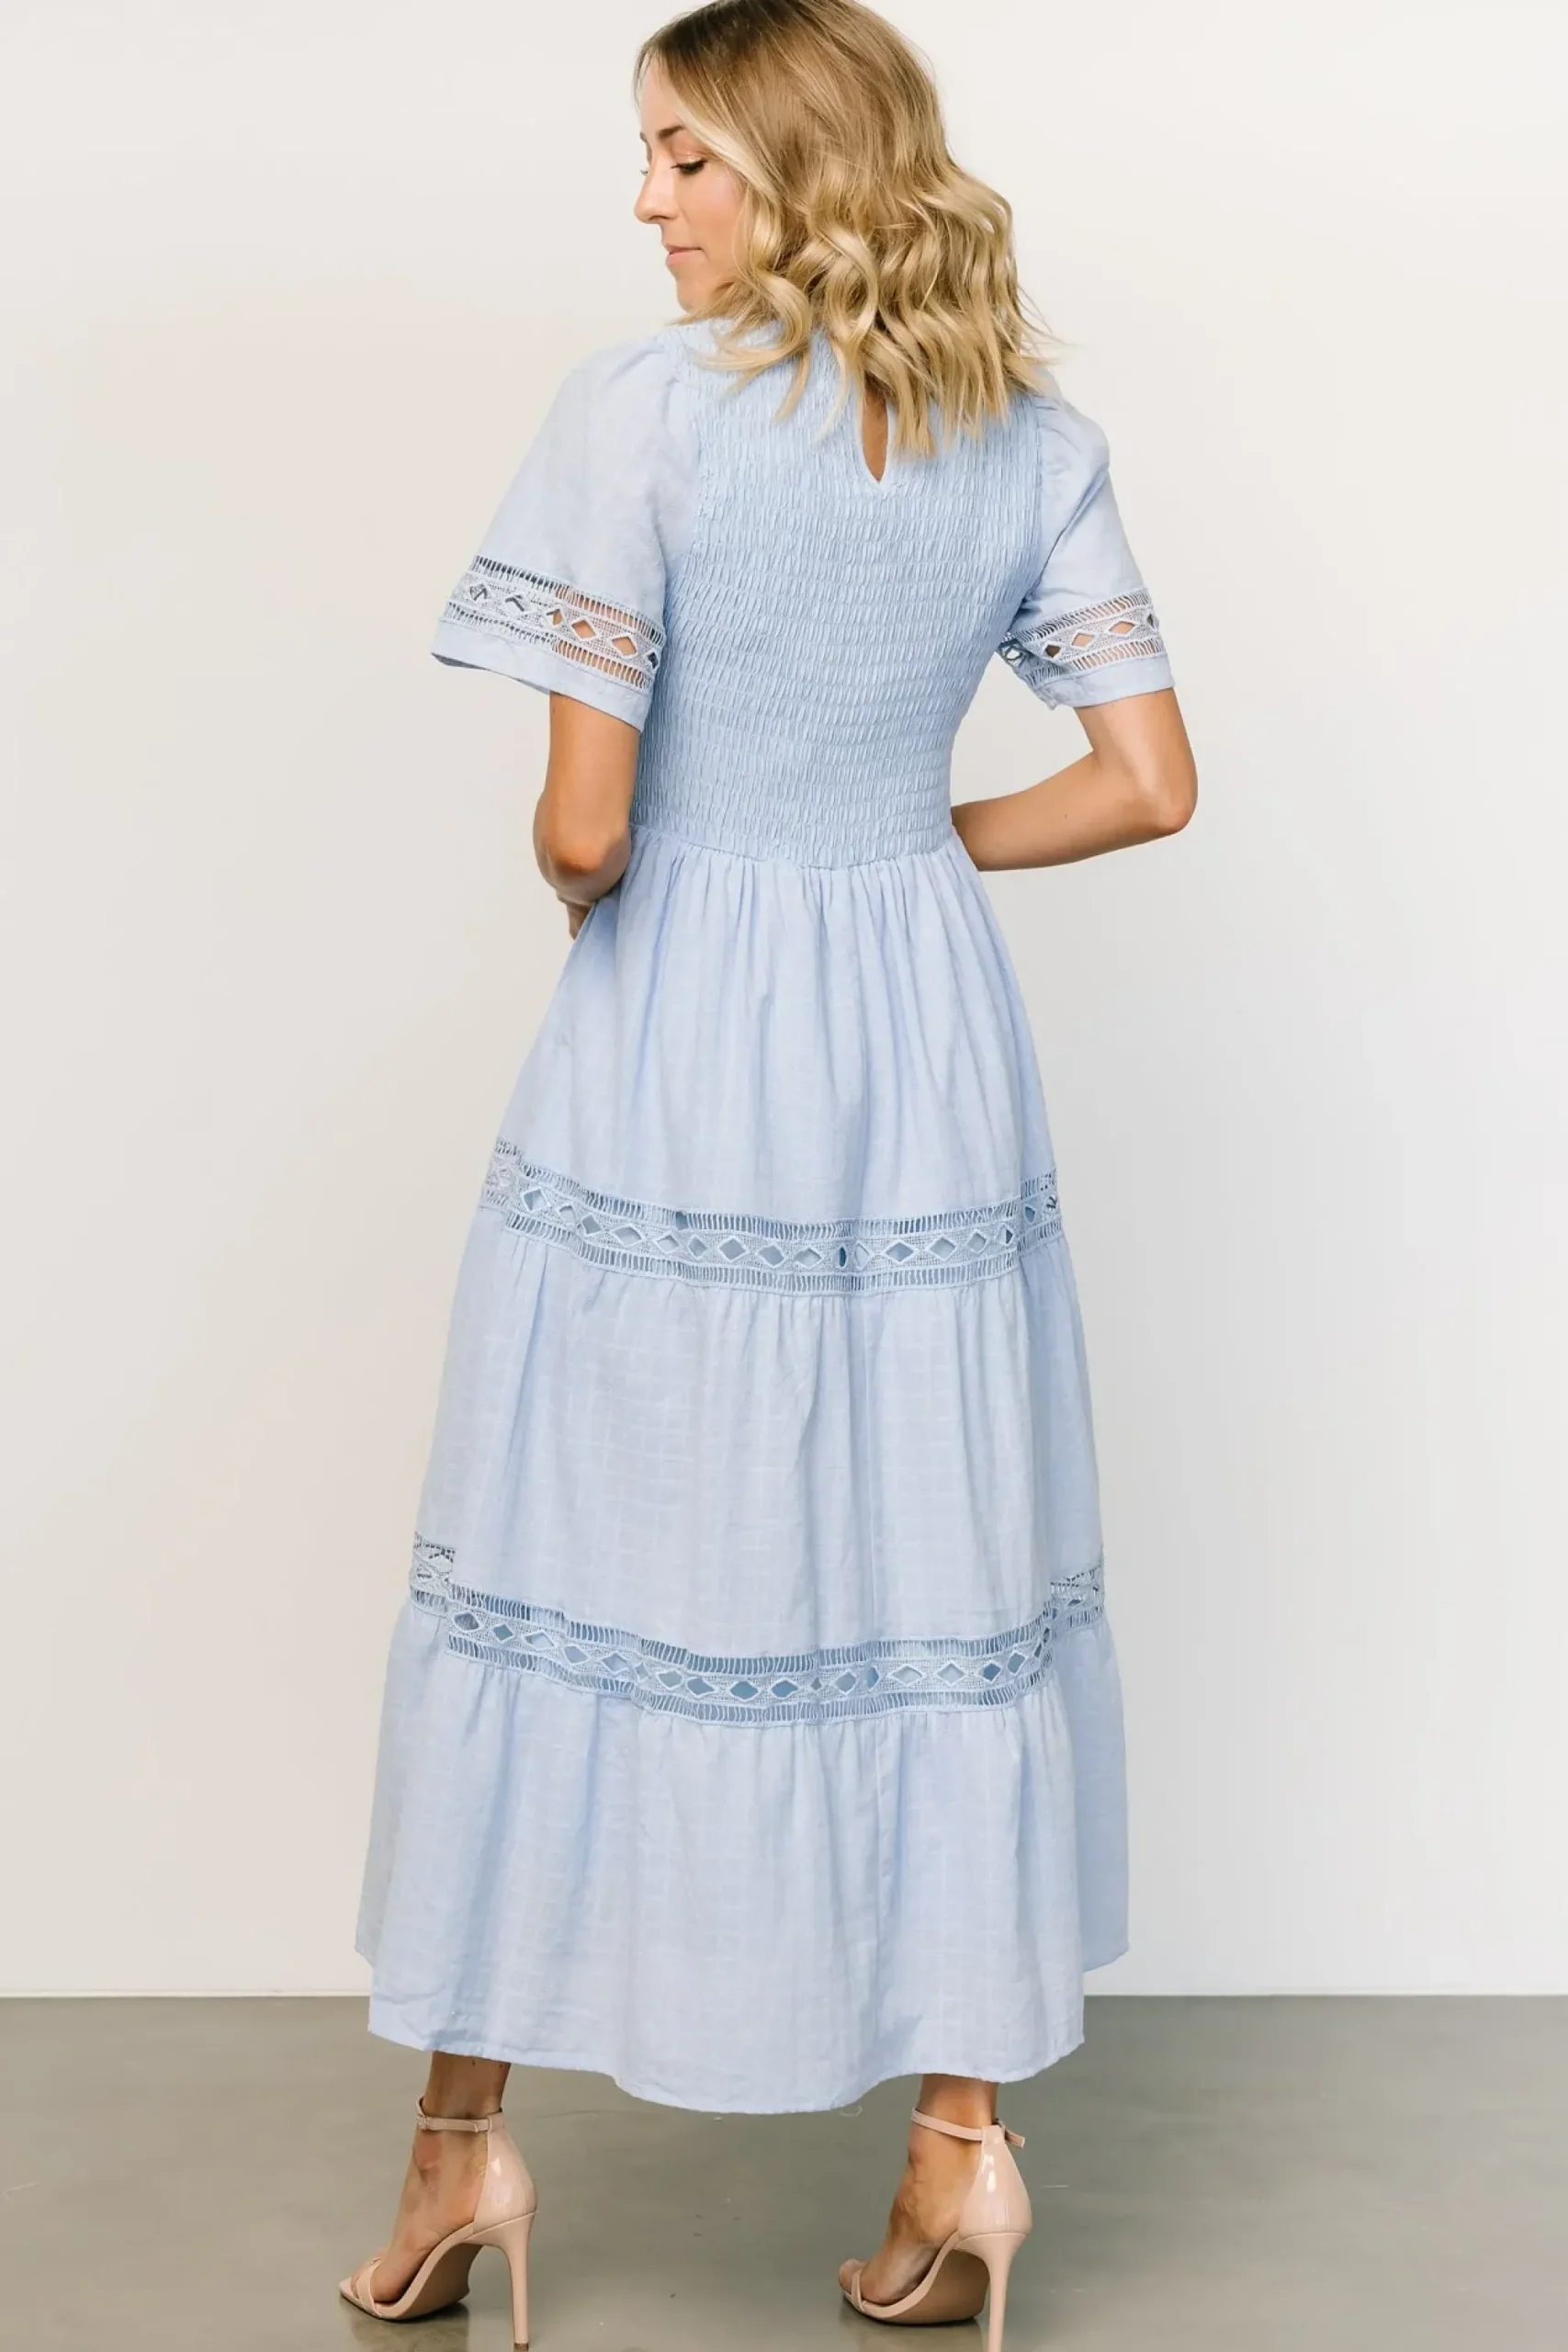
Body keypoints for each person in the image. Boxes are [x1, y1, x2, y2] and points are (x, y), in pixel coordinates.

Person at [341, 2, 1197, 2345]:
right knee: (934, 1537)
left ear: (804, 167)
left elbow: (584, 823)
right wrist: (906, 845)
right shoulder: (1030, 436)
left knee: (575, 1523)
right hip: (922, 1036)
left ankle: (458, 2149)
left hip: (682, 1032)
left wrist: (622, 877)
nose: (647, 199)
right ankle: (959, 2150)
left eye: (685, 156)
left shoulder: (638, 416)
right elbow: (1145, 778)